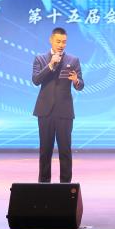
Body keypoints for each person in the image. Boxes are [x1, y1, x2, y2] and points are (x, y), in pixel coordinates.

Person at [32, 26, 84, 183]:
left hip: (64, 112)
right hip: (45, 111)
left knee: (65, 151)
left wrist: (76, 81)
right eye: (58, 41)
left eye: (64, 42)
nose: (61, 45)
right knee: (45, 151)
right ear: (51, 40)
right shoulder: (40, 59)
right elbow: (36, 80)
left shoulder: (73, 60)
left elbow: (81, 85)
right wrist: (50, 65)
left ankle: (66, 186)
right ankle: (43, 184)